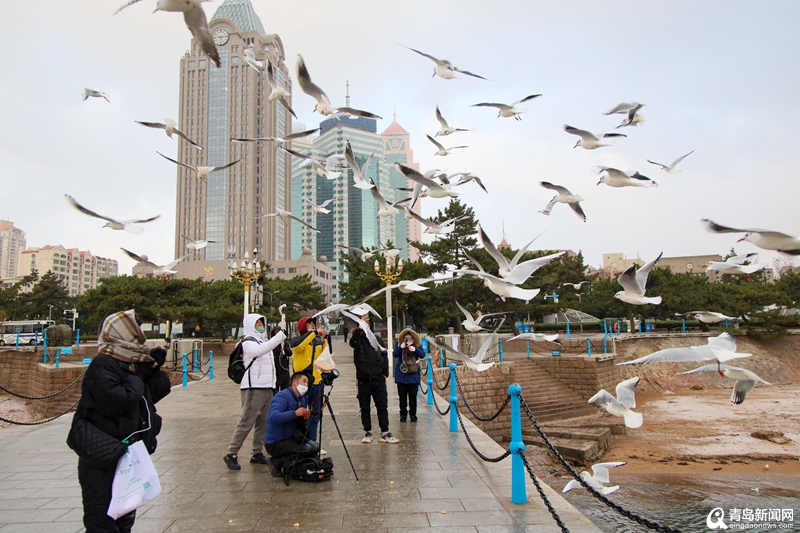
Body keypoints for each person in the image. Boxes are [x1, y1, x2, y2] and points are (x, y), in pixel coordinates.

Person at [70, 309, 171, 533]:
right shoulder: (103, 364)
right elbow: (118, 400)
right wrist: (137, 375)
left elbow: (158, 390)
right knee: (102, 519)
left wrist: (154, 368)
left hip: (127, 456)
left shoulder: (130, 362)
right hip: (102, 454)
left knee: (124, 519)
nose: (139, 336)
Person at [223, 314, 287, 470]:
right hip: (253, 387)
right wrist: (278, 338)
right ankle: (231, 453)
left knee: (263, 422)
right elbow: (259, 351)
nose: (260, 324)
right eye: (257, 322)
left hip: (267, 386)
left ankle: (257, 452)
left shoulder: (263, 340)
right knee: (247, 421)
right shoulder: (248, 342)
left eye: (261, 322)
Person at [350, 316, 399, 444]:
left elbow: (384, 354)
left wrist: (385, 372)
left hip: (378, 378)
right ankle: (368, 431)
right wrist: (357, 330)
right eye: (363, 323)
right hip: (363, 378)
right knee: (365, 406)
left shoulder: (377, 339)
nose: (366, 325)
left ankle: (385, 432)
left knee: (382, 405)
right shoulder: (358, 339)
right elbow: (352, 343)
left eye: (368, 323)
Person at [264, 372, 320, 475]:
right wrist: (294, 413)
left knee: (315, 447)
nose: (306, 385)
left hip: (291, 437)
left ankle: (296, 465)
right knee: (306, 449)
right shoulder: (282, 396)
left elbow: (300, 424)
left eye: (307, 382)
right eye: (304, 381)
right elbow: (273, 417)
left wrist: (304, 418)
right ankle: (276, 462)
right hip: (276, 442)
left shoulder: (302, 399)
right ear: (294, 382)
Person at [289, 316, 328, 445]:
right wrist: (313, 334)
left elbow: (325, 355)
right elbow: (300, 345)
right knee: (300, 415)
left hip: (316, 383)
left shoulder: (318, 341)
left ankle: (312, 443)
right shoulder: (296, 341)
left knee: (315, 415)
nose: (312, 325)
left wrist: (326, 339)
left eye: (313, 323)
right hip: (301, 384)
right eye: (309, 323)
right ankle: (299, 443)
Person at [393, 327, 426, 422]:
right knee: (402, 397)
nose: (408, 339)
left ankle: (413, 414)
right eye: (406, 337)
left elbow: (422, 355)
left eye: (410, 337)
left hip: (413, 374)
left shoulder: (417, 345)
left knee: (413, 397)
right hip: (402, 374)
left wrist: (415, 349)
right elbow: (395, 354)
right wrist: (401, 347)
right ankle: (403, 414)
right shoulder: (399, 344)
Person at [271, 325, 292, 391]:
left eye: (279, 332)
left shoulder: (284, 343)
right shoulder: (271, 343)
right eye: (276, 332)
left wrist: (285, 349)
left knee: (285, 391)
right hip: (274, 370)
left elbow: (290, 353)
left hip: (284, 370)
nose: (277, 333)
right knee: (275, 392)